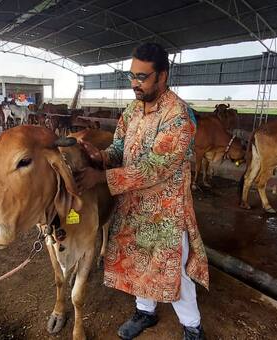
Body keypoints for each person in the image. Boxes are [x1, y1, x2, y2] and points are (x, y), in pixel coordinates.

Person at [75, 42, 208, 340]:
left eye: (142, 77)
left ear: (162, 76)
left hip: (166, 212)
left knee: (174, 271)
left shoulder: (178, 117)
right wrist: (102, 155)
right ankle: (145, 312)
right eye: (131, 76)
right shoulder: (133, 110)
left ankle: (192, 327)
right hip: (133, 204)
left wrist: (102, 177)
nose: (135, 83)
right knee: (137, 263)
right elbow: (121, 146)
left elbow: (155, 167)